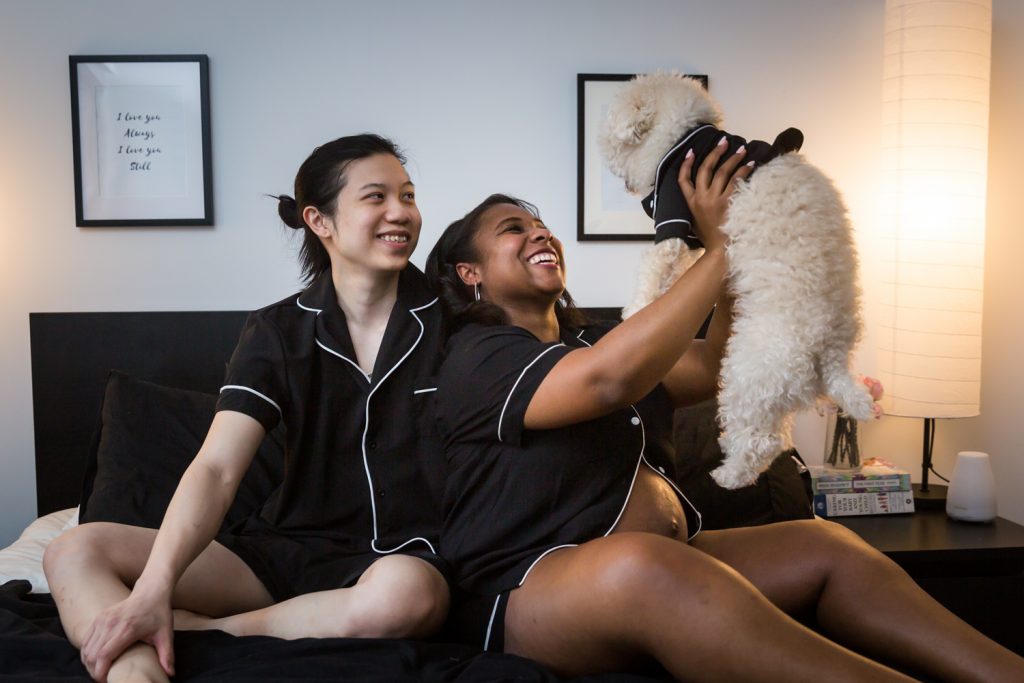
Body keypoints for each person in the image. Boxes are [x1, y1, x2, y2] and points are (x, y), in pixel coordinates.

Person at [424, 139, 1024, 682]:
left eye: (542, 226)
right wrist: (719, 249)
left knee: (827, 548)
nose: (540, 235)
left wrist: (738, 248)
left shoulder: (597, 341)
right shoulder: (476, 355)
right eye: (513, 229)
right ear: (468, 272)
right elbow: (607, 381)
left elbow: (713, 365)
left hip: (665, 565)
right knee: (646, 564)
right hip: (527, 591)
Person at [43, 134, 451, 683]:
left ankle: (205, 633)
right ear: (320, 220)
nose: (401, 212)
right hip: (280, 553)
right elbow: (217, 468)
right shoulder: (277, 331)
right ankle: (136, 669)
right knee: (73, 548)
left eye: (408, 195)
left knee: (408, 594)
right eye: (376, 197)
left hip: (397, 560)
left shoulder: (456, 323)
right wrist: (153, 589)